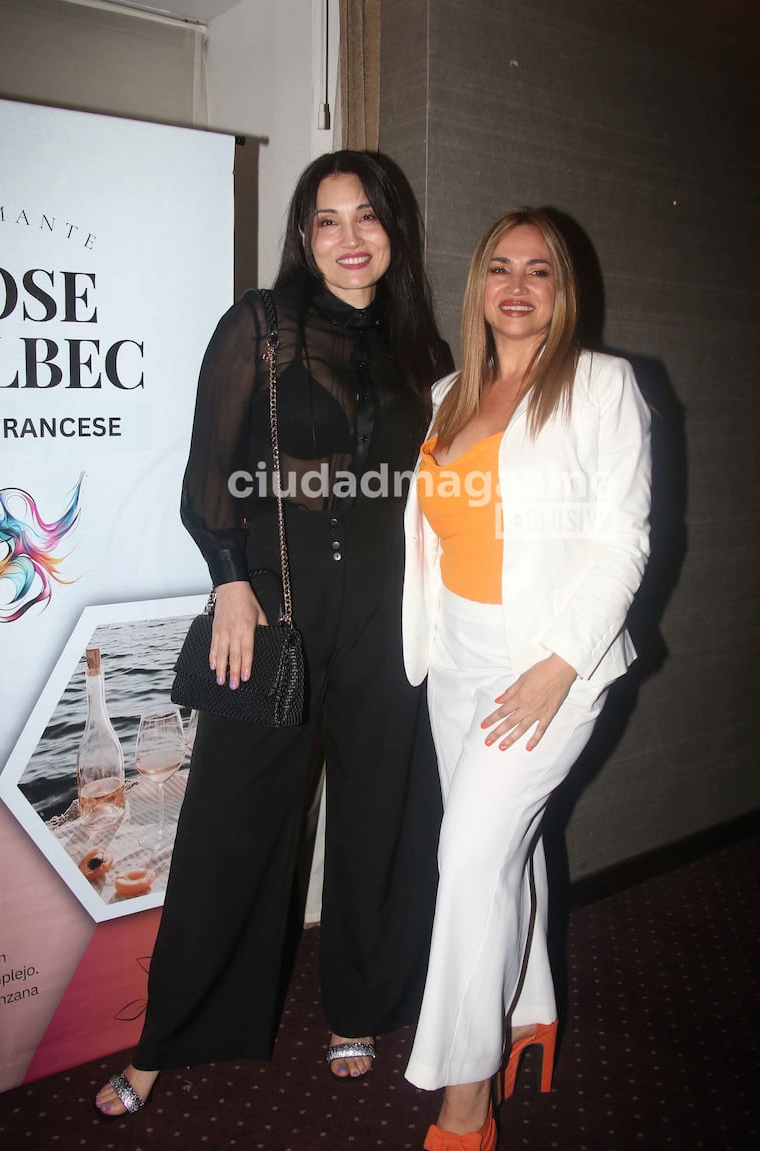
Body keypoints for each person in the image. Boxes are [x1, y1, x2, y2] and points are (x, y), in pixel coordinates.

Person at [96, 149, 452, 1116]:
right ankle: (167, 1038)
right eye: (327, 220)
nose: (349, 238)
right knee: (228, 828)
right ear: (303, 236)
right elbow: (210, 475)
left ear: (394, 232)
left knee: (382, 822)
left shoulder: (422, 352)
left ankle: (358, 1006)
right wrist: (231, 585)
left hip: (388, 628)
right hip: (275, 617)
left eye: (367, 217)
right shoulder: (258, 324)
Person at [401, 208, 651, 1150]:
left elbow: (623, 540)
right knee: (509, 844)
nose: (515, 285)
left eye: (537, 271)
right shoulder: (447, 395)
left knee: (466, 859)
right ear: (478, 287)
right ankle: (529, 1009)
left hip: (546, 664)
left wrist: (558, 666)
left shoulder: (600, 386)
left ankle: (464, 1104)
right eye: (499, 268)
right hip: (454, 661)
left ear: (562, 289)